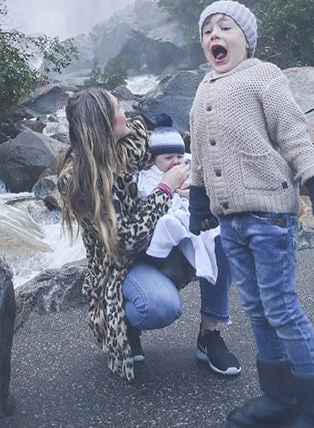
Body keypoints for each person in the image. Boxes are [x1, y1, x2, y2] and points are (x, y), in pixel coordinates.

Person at [190, 0, 314, 427]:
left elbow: (293, 133)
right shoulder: (203, 88)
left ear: (246, 40)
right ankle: (279, 396)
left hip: (270, 216)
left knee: (281, 307)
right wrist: (199, 206)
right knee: (255, 308)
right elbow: (199, 153)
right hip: (230, 221)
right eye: (207, 31)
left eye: (225, 28)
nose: (214, 36)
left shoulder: (262, 75)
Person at [57, 87, 240, 384]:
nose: (125, 113)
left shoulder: (131, 143)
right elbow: (126, 240)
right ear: (102, 122)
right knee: (161, 306)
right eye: (118, 109)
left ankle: (210, 335)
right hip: (121, 265)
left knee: (219, 235)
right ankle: (126, 325)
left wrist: (184, 181)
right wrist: (165, 189)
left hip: (159, 244)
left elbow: (167, 157)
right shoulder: (78, 179)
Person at [137, 113, 221, 285]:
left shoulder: (188, 164)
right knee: (168, 224)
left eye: (179, 156)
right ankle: (161, 257)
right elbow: (146, 193)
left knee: (210, 232)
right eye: (168, 158)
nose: (175, 162)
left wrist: (194, 186)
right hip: (165, 215)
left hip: (191, 213)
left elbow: (206, 175)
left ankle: (198, 264)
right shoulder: (151, 174)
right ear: (155, 159)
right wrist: (170, 187)